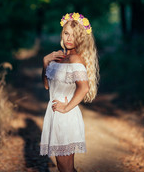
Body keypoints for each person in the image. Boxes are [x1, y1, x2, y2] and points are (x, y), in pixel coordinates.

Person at [40, 12, 100, 172]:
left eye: (74, 35)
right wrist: (45, 63)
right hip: (54, 114)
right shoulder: (60, 57)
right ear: (62, 33)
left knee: (65, 167)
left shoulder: (75, 59)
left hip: (65, 116)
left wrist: (66, 108)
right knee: (63, 167)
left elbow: (84, 88)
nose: (69, 38)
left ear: (80, 38)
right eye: (66, 33)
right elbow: (47, 85)